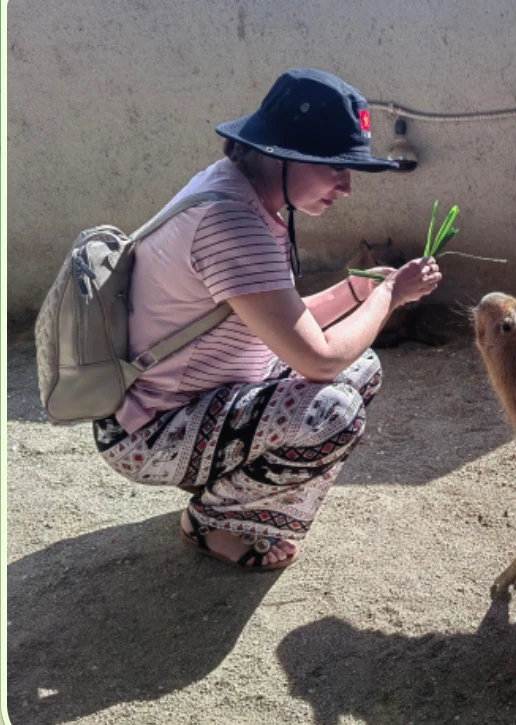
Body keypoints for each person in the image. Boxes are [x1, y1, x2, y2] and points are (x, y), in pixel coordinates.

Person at [92, 68, 442, 570]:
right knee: (331, 410)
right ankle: (214, 520)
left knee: (361, 367)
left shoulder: (237, 196)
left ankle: (229, 494)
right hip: (148, 432)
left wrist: (355, 290)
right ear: (282, 153)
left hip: (186, 403)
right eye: (334, 167)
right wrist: (389, 295)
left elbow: (284, 324)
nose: (346, 186)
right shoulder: (232, 222)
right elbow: (317, 360)